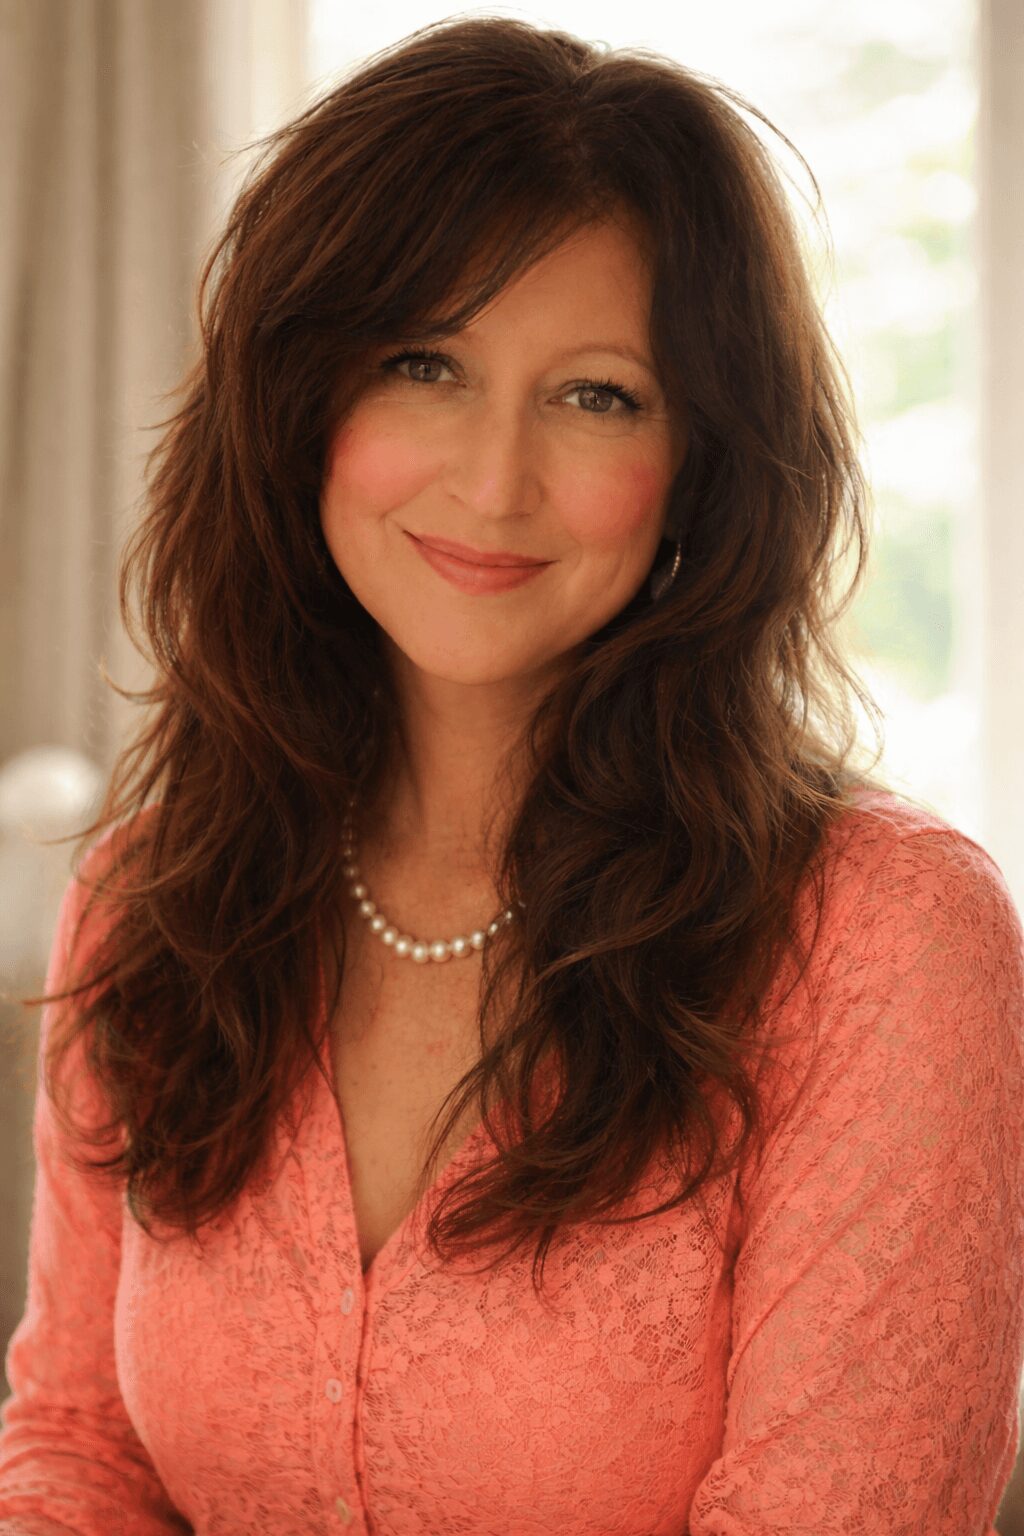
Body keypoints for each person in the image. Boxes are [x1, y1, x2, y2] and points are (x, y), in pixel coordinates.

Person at [1, 14, 1022, 1535]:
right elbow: (78, 1447)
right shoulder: (151, 898)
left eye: (597, 394)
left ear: (701, 458)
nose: (493, 481)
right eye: (425, 364)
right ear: (299, 405)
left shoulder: (883, 941)